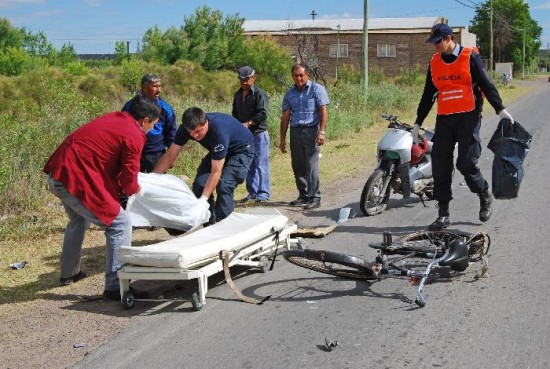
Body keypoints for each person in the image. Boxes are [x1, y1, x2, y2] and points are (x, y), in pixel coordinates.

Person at [43, 94, 161, 300]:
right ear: (144, 120)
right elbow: (129, 182)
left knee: (78, 220)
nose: (151, 130)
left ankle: (69, 273)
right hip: (74, 177)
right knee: (121, 223)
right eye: (153, 125)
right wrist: (138, 191)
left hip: (59, 172)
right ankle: (115, 287)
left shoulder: (116, 118)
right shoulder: (134, 134)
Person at [413, 23, 514, 231]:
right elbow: (427, 95)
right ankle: (443, 214)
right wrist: (418, 122)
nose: (436, 46)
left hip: (469, 115)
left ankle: (484, 193)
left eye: (438, 42)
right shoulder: (434, 62)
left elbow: (487, 84)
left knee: (466, 163)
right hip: (445, 118)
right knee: (440, 165)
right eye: (433, 43)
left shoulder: (470, 57)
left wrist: (500, 109)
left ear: (449, 38)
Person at [153, 107, 254, 222]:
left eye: (198, 131)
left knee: (224, 185)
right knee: (200, 185)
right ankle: (209, 223)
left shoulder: (219, 131)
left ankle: (224, 224)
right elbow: (170, 154)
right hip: (218, 151)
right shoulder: (185, 130)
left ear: (206, 122)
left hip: (241, 150)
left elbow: (216, 171)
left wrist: (203, 199)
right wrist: (152, 178)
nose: (195, 136)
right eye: (191, 133)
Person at [279, 63, 330, 210]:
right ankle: (304, 195)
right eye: (296, 75)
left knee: (311, 165)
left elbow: (323, 111)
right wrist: (282, 139)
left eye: (301, 75)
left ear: (307, 75)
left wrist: (321, 132)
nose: (299, 78)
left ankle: (315, 197)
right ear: (292, 77)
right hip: (295, 132)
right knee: (298, 165)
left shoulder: (316, 89)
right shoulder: (289, 93)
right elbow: (285, 117)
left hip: (312, 131)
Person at [122, 73, 177, 173]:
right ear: (144, 87)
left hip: (156, 153)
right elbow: (122, 127)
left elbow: (171, 131)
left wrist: (171, 155)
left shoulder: (165, 108)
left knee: (158, 184)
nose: (158, 90)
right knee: (134, 182)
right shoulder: (131, 105)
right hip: (135, 152)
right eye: (155, 86)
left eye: (160, 86)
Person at [232, 66, 271, 204]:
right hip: (245, 135)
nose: (244, 82)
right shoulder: (237, 95)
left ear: (253, 79)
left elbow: (263, 113)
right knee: (249, 164)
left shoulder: (259, 94)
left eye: (247, 79)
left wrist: (248, 123)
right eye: (241, 79)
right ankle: (252, 193)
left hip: (259, 133)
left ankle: (263, 194)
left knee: (261, 164)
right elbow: (235, 113)